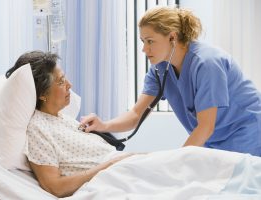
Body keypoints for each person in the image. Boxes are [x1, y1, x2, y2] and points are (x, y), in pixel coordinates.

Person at [80, 6, 261, 157]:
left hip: (247, 133)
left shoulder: (207, 63)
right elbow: (136, 114)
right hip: (212, 140)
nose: (144, 49)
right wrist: (104, 125)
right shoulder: (160, 70)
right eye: (143, 41)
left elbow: (206, 126)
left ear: (172, 37)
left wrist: (176, 162)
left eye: (150, 41)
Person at [5, 51, 133, 198]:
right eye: (60, 82)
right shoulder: (38, 129)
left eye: (65, 78)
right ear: (42, 94)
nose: (69, 85)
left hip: (122, 167)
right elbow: (55, 187)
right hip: (113, 174)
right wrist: (110, 165)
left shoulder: (63, 118)